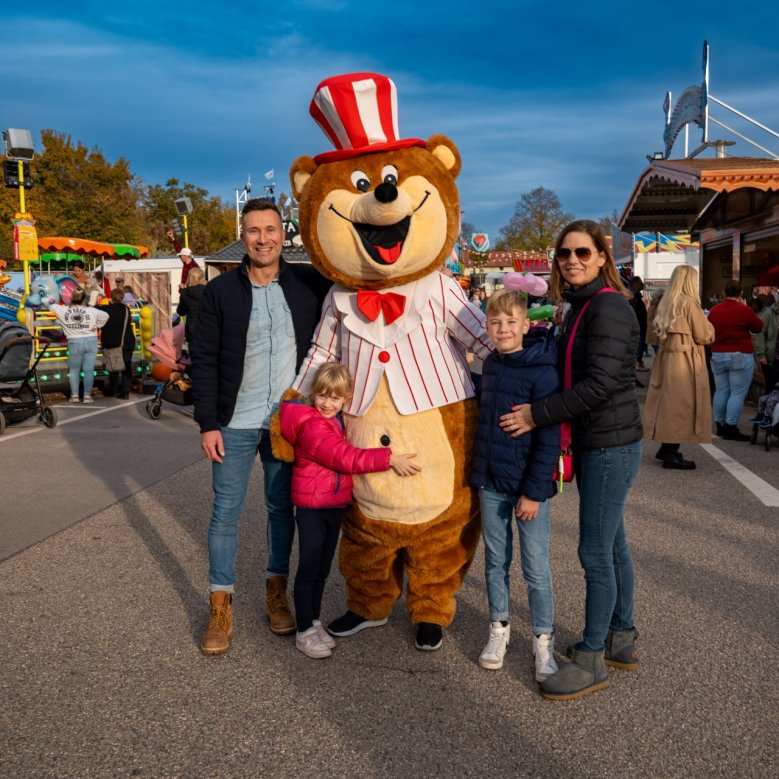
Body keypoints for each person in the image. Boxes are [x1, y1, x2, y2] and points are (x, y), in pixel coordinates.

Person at [502, 219, 642, 701]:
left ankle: (591, 658)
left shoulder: (608, 307)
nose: (572, 261)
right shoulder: (582, 305)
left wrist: (536, 414)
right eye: (564, 253)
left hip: (609, 444)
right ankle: (620, 637)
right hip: (601, 440)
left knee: (595, 553)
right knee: (613, 544)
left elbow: (598, 385)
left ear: (603, 256)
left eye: (583, 252)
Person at [192, 198, 330, 656]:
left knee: (280, 509)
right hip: (233, 422)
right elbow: (204, 361)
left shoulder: (308, 284)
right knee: (225, 511)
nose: (263, 239)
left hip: (285, 423)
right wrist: (207, 423)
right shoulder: (218, 293)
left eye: (270, 230)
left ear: (282, 234)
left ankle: (276, 592)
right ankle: (220, 604)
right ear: (243, 236)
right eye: (254, 231)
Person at [279, 363, 420, 658]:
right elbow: (344, 457)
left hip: (332, 504)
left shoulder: (334, 420)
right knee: (309, 568)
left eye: (335, 398)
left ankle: (313, 621)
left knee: (321, 569)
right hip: (313, 507)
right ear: (314, 393)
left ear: (346, 399)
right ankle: (304, 630)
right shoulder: (313, 425)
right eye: (322, 395)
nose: (327, 403)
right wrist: (389, 458)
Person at [470, 288, 561, 681]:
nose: (503, 328)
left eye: (511, 322)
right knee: (495, 562)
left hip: (527, 489)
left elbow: (549, 439)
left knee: (536, 568)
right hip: (491, 483)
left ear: (526, 325)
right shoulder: (491, 364)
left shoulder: (543, 371)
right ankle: (499, 628)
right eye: (495, 322)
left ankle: (543, 639)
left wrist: (534, 493)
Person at [644, 265, 714, 468]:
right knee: (682, 406)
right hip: (686, 361)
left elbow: (652, 336)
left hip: (666, 359)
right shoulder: (689, 303)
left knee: (669, 404)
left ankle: (667, 447)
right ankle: (670, 452)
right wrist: (710, 326)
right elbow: (703, 335)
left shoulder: (664, 302)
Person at [708, 280, 764, 441]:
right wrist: (745, 307)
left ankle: (719, 424)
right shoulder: (744, 310)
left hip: (718, 354)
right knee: (737, 392)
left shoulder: (714, 311)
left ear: (724, 293)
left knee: (721, 390)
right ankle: (731, 427)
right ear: (741, 293)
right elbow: (758, 327)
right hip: (740, 354)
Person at [48, 288, 109, 403]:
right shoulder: (91, 310)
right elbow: (106, 315)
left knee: (74, 370)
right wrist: (97, 325)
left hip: (74, 341)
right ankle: (87, 396)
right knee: (88, 370)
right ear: (84, 299)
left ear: (71, 298)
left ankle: (75, 396)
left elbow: (51, 306)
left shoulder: (64, 310)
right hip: (91, 340)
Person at [99, 288, 136, 399]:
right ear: (122, 297)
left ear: (111, 297)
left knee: (114, 367)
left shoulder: (106, 309)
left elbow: (93, 308)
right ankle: (125, 392)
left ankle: (113, 390)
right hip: (128, 341)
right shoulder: (126, 309)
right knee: (127, 366)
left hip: (115, 342)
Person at [755, 290, 779, 392]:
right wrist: (761, 355)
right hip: (772, 360)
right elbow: (760, 334)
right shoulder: (769, 313)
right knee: (771, 389)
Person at [176, 267, 206, 347]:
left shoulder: (185, 293)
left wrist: (183, 294)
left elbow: (181, 312)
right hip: (207, 328)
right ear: (203, 279)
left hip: (192, 331)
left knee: (194, 353)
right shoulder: (209, 291)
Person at [629, 276, 648, 370]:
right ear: (635, 284)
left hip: (640, 325)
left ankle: (638, 362)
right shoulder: (633, 296)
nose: (642, 285)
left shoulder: (634, 295)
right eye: (640, 283)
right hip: (638, 326)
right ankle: (637, 363)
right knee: (639, 344)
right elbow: (635, 312)